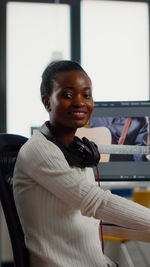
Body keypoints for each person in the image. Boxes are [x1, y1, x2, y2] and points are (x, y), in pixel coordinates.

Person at [13, 60, 150, 267]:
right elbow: (97, 202)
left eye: (86, 95)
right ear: (47, 101)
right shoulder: (39, 150)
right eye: (67, 95)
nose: (80, 102)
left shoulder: (77, 150)